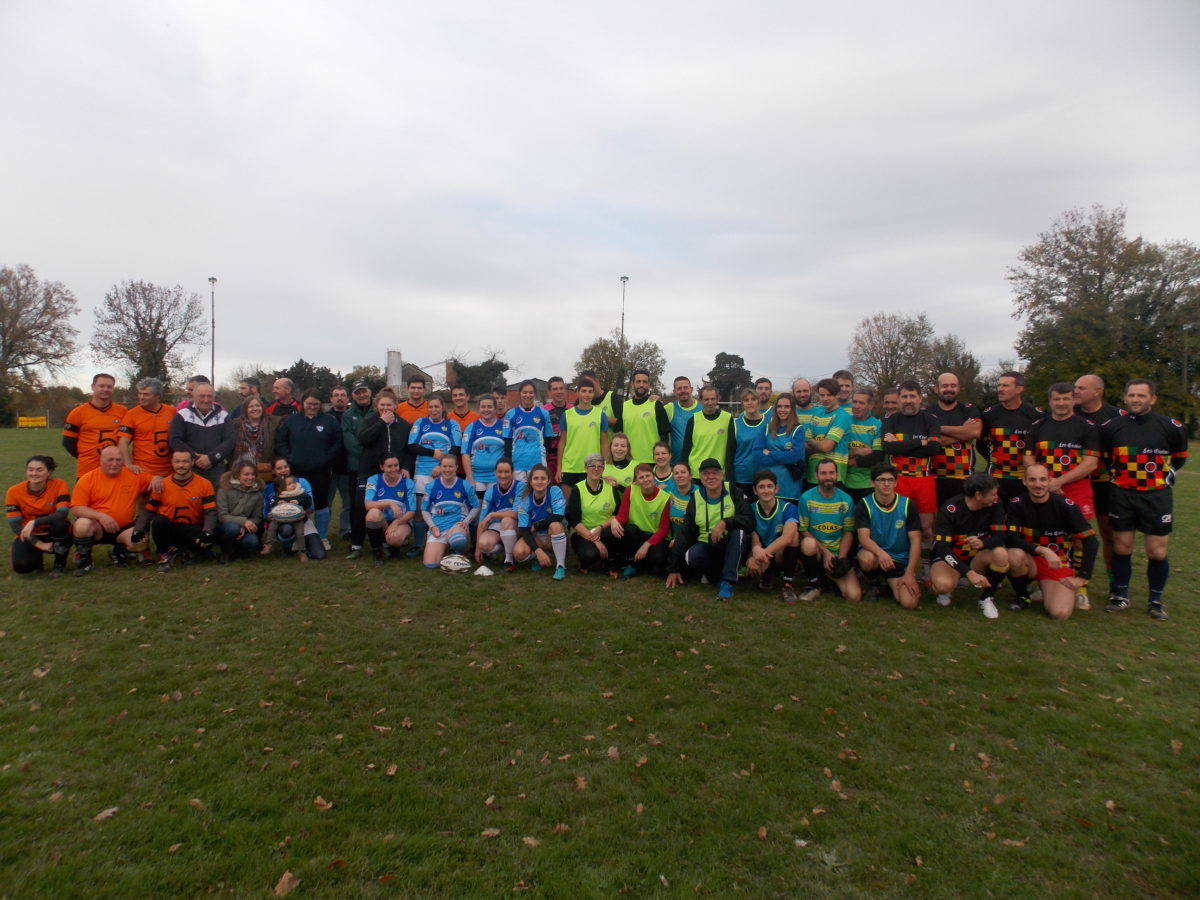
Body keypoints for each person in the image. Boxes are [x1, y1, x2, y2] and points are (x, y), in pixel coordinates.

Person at [1100, 379, 1188, 620]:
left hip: (1156, 496)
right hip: (1122, 494)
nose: (1135, 399)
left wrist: (1163, 477)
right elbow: (1107, 458)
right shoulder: (1111, 427)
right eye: (1131, 395)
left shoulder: (1172, 426)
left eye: (1141, 395)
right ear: (1125, 397)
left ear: (1153, 398)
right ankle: (1120, 596)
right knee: (1122, 546)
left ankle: (1156, 601)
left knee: (1156, 551)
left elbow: (1179, 458)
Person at [1023, 382, 1101, 608]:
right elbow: (1028, 457)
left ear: (1074, 400)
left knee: (1079, 538)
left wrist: (1059, 481)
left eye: (1066, 399)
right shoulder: (1038, 426)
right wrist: (1042, 479)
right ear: (1050, 401)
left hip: (1075, 487)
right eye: (1057, 399)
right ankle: (1043, 582)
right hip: (1044, 487)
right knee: (1045, 536)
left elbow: (1090, 463)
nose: (1061, 403)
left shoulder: (1086, 426)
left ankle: (1080, 587)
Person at [1004, 464, 1098, 619]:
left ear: (1049, 481)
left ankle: (1047, 588)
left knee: (1060, 613)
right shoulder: (1017, 503)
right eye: (1032, 480)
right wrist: (1042, 550)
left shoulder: (1066, 506)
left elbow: (1091, 541)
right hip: (1031, 560)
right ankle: (1022, 596)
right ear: (1024, 481)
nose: (1038, 485)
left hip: (1057, 563)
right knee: (1013, 555)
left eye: (1042, 479)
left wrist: (1082, 577)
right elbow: (1010, 539)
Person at [665, 457, 751, 600]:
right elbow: (685, 532)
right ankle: (717, 577)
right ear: (701, 477)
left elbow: (749, 520)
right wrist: (673, 568)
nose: (711, 477)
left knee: (739, 532)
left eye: (715, 472)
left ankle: (728, 581)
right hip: (708, 545)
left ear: (721, 475)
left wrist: (725, 522)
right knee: (691, 555)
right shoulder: (696, 498)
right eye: (706, 473)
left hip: (731, 545)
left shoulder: (733, 491)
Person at [928, 471, 1010, 618]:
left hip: (976, 557)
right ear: (978, 495)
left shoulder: (996, 504)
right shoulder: (950, 509)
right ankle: (944, 588)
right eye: (992, 494)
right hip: (950, 558)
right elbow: (942, 548)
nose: (996, 497)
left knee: (1001, 554)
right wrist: (968, 572)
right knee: (942, 585)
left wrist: (983, 542)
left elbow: (1001, 537)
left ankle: (986, 598)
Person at [69, 445, 154, 576]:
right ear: (101, 461)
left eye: (118, 460)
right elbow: (76, 508)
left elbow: (156, 482)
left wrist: (158, 479)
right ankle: (85, 561)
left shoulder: (134, 475)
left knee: (140, 542)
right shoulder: (87, 479)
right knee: (82, 524)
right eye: (110, 460)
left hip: (124, 527)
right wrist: (101, 516)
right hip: (98, 527)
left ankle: (118, 550)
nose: (114, 464)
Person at [1073, 372, 1125, 588]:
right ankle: (1071, 579)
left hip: (1105, 484)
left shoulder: (1117, 416)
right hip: (1075, 482)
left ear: (1098, 392)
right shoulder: (1069, 413)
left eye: (1081, 388)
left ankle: (1115, 583)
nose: (1076, 391)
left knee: (1109, 535)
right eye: (1075, 386)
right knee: (1074, 534)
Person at [349, 389, 412, 559]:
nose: (385, 408)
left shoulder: (405, 425)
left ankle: (387, 540)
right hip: (369, 470)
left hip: (393, 472)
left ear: (395, 406)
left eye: (389, 405)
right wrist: (381, 422)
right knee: (362, 504)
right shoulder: (370, 420)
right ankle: (357, 544)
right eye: (382, 405)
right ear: (377, 406)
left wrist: (406, 466)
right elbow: (363, 439)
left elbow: (408, 450)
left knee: (392, 504)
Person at [276, 389, 342, 546]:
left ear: (321, 404)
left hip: (321, 470)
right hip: (297, 470)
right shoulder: (291, 420)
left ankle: (322, 537)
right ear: (302, 404)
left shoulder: (329, 421)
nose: (312, 406)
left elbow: (337, 443)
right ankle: (299, 538)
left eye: (315, 404)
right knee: (297, 503)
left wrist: (326, 459)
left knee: (320, 503)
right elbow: (281, 442)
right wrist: (290, 458)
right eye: (309, 403)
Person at [881, 379, 941, 544]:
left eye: (912, 396)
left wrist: (899, 445)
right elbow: (888, 448)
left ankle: (926, 563)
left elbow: (934, 449)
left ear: (920, 398)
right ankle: (901, 562)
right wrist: (921, 442)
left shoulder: (930, 420)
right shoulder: (890, 421)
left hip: (924, 478)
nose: (908, 400)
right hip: (898, 479)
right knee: (897, 524)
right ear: (899, 399)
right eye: (904, 396)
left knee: (927, 527)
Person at [854, 463, 922, 608]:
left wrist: (910, 573)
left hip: (899, 560)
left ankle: (892, 585)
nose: (886, 484)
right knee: (866, 558)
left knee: (909, 603)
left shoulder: (908, 505)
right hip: (876, 556)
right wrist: (881, 553)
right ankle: (874, 584)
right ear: (872, 483)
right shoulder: (864, 504)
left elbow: (916, 540)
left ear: (896, 482)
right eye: (881, 480)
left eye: (890, 480)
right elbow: (863, 537)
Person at [137, 450, 217, 572]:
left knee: (205, 545)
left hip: (192, 528)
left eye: (185, 461)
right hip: (170, 529)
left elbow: (210, 511)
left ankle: (186, 550)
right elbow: (149, 510)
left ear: (192, 462)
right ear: (172, 463)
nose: (181, 465)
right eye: (177, 461)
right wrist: (139, 528)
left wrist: (207, 531)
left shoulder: (204, 484)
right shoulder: (162, 484)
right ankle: (165, 554)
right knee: (159, 521)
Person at [796, 459, 861, 603]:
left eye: (831, 473)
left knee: (854, 597)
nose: (828, 477)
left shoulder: (846, 500)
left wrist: (840, 560)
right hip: (818, 551)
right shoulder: (806, 498)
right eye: (823, 473)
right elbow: (804, 530)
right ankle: (814, 585)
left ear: (837, 475)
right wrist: (825, 552)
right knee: (808, 544)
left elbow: (848, 531)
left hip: (837, 553)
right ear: (816, 476)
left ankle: (830, 578)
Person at [409, 396, 463, 554]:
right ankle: (419, 545)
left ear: (443, 407)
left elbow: (456, 448)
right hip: (422, 473)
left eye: (436, 407)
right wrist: (432, 453)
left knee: (446, 509)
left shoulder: (451, 424)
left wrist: (441, 466)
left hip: (445, 473)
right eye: (430, 407)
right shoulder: (420, 423)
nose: (433, 410)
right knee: (420, 510)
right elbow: (411, 446)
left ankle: (449, 542)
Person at [978, 371, 1040, 505]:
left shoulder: (1035, 415)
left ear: (1019, 389)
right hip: (995, 476)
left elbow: (1040, 448)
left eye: (1005, 386)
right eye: (999, 385)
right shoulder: (989, 414)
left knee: (1024, 518)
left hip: (1025, 477)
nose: (1000, 389)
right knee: (995, 519)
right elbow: (981, 444)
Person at [7, 455, 72, 577]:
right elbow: (15, 526)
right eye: (30, 469)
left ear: (49, 472)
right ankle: (36, 559)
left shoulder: (59, 484)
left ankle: (59, 565)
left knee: (61, 524)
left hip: (53, 531)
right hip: (28, 534)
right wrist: (39, 544)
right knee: (22, 566)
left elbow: (62, 513)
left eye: (39, 470)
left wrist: (34, 522)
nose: (34, 473)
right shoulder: (14, 491)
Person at [745, 469, 800, 603]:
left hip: (777, 553)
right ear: (755, 490)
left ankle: (787, 584)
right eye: (761, 487)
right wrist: (755, 551)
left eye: (769, 486)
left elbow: (787, 537)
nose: (766, 491)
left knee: (794, 536)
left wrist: (761, 557)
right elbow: (753, 536)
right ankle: (767, 575)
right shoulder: (749, 509)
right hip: (759, 551)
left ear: (776, 488)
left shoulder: (788, 508)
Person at [610, 462, 671, 579]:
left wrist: (647, 545)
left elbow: (664, 528)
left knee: (657, 562)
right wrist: (614, 520)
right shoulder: (630, 490)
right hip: (636, 535)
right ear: (636, 481)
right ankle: (631, 564)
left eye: (648, 476)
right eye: (641, 477)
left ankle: (642, 562)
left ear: (653, 477)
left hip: (655, 537)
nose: (645, 479)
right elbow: (623, 517)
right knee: (630, 529)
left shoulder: (665, 497)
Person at [62, 372, 128, 478]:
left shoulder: (122, 411)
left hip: (115, 469)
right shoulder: (78, 412)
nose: (105, 389)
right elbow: (68, 442)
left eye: (109, 386)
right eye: (101, 386)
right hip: (87, 470)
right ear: (93, 387)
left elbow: (126, 439)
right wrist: (85, 455)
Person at [930, 372, 982, 508]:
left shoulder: (968, 409)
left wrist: (937, 428)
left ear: (959, 388)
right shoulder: (927, 412)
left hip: (964, 478)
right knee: (937, 521)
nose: (949, 389)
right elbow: (934, 441)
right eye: (945, 386)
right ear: (936, 389)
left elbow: (974, 431)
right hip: (935, 477)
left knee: (963, 519)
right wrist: (962, 432)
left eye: (953, 386)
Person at [566, 453, 622, 573]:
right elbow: (575, 521)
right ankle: (587, 561)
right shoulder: (578, 489)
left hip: (604, 530)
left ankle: (610, 562)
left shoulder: (610, 487)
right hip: (583, 533)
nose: (596, 469)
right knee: (589, 555)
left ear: (603, 469)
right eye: (592, 466)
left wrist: (601, 527)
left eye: (600, 466)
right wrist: (596, 541)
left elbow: (617, 514)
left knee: (614, 532)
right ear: (585, 468)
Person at [261, 457, 325, 560]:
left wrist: (300, 509)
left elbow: (311, 506)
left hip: (301, 520)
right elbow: (265, 514)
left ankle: (302, 548)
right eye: (279, 468)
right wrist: (272, 514)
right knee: (287, 529)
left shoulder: (301, 482)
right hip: (281, 523)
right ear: (273, 471)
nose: (283, 470)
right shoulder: (269, 489)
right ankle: (287, 547)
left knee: (319, 554)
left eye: (285, 467)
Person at [421, 454, 479, 568]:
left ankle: (459, 552)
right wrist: (432, 526)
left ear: (457, 467)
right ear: (440, 467)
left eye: (451, 466)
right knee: (431, 564)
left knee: (458, 540)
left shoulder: (465, 485)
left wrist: (466, 522)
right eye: (444, 466)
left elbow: (476, 507)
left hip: (456, 526)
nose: (447, 470)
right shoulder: (431, 486)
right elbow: (424, 509)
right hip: (439, 527)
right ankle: (446, 547)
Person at [513, 463, 569, 580]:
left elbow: (558, 516)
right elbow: (524, 529)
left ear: (548, 481)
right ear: (531, 482)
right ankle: (536, 557)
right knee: (518, 553)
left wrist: (537, 525)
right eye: (536, 478)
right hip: (536, 538)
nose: (539, 481)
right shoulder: (524, 499)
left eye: (543, 478)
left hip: (551, 535)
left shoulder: (554, 491)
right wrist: (538, 551)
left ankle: (560, 565)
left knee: (555, 525)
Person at [363, 453, 418, 565]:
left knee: (395, 538)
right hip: (382, 521)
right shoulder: (374, 479)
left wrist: (396, 523)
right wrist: (390, 503)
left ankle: (394, 547)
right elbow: (368, 505)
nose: (393, 469)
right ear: (382, 467)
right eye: (389, 466)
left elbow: (412, 511)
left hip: (401, 521)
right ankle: (377, 551)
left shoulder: (407, 482)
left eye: (396, 465)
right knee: (373, 513)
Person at [168, 382, 234, 475]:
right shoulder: (182, 415)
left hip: (217, 468)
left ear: (214, 397)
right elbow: (174, 440)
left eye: (209, 396)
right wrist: (194, 457)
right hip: (190, 469)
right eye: (201, 396)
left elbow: (229, 441)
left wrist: (211, 458)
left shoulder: (223, 415)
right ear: (194, 396)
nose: (206, 400)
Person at [555, 378, 609, 488]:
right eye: (584, 391)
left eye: (590, 391)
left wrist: (605, 467)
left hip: (592, 467)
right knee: (569, 504)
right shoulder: (567, 415)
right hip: (570, 467)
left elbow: (604, 443)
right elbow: (562, 443)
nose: (587, 394)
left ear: (594, 393)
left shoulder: (600, 415)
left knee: (588, 504)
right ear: (577, 392)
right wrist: (559, 468)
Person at [117, 377, 176, 478]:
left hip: (168, 472)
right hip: (142, 471)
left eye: (146, 394)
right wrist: (128, 464)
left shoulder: (171, 412)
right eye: (140, 393)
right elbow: (123, 441)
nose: (141, 397)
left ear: (157, 396)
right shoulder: (132, 414)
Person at [341, 381, 375, 549]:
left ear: (369, 392)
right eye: (357, 392)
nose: (361, 395)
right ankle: (356, 539)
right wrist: (366, 454)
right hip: (356, 465)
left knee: (377, 501)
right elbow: (349, 440)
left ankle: (377, 535)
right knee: (356, 504)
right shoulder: (348, 415)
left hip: (376, 467)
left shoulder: (377, 411)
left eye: (364, 391)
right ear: (353, 396)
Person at [804, 378, 852, 490]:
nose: (825, 398)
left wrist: (811, 441)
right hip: (813, 476)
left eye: (829, 395)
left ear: (837, 395)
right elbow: (805, 446)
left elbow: (826, 446)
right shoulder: (816, 414)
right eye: (822, 395)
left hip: (835, 477)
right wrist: (820, 444)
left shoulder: (842, 416)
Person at [475, 459, 523, 571]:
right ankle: (508, 549)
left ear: (512, 472)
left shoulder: (520, 487)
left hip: (517, 526)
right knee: (483, 544)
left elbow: (516, 514)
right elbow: (482, 521)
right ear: (495, 472)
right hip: (497, 527)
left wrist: (493, 515)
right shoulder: (490, 491)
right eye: (500, 472)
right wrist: (477, 548)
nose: (503, 475)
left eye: (506, 472)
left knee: (507, 520)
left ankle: (509, 560)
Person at [758, 393, 806, 502]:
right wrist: (785, 456)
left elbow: (795, 456)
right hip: (767, 488)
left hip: (790, 489)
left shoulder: (798, 430)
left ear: (792, 409)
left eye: (786, 406)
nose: (782, 410)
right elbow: (757, 455)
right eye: (779, 406)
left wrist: (771, 453)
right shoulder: (766, 429)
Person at [503, 380, 554, 481]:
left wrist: (542, 452)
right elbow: (507, 440)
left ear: (534, 394)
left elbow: (548, 437)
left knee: (537, 491)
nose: (528, 395)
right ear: (520, 393)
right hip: (517, 461)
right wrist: (509, 461)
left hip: (537, 460)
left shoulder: (543, 413)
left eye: (531, 392)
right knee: (520, 493)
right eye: (525, 392)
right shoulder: (511, 414)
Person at [215, 461, 264, 562]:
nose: (250, 477)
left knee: (252, 541)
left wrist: (245, 527)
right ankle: (226, 552)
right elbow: (222, 516)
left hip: (246, 527)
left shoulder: (258, 494)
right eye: (246, 474)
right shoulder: (224, 490)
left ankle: (241, 550)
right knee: (232, 528)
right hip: (225, 527)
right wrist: (243, 522)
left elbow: (257, 517)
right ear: (237, 476)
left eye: (253, 474)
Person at [680, 385, 734, 477]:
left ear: (718, 399)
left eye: (713, 399)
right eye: (706, 399)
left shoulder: (727, 418)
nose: (710, 402)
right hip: (696, 473)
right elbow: (686, 450)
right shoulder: (693, 420)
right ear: (701, 400)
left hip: (718, 473)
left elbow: (731, 449)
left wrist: (729, 474)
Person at [843, 388, 883, 505]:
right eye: (854, 402)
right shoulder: (844, 421)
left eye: (861, 403)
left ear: (870, 406)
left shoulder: (877, 425)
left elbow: (875, 457)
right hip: (844, 482)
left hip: (867, 484)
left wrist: (847, 460)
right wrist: (856, 451)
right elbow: (835, 453)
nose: (856, 406)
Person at [622, 369, 670, 464]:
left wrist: (662, 459)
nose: (641, 385)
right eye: (638, 381)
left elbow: (664, 435)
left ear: (649, 384)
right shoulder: (624, 406)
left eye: (645, 382)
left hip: (653, 461)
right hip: (629, 461)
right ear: (632, 384)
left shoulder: (656, 404)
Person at [461, 395, 506, 493]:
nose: (486, 409)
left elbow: (509, 451)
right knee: (477, 507)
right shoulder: (472, 427)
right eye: (483, 407)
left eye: (489, 406)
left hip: (497, 477)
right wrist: (470, 478)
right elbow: (465, 454)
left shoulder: (504, 426)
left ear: (495, 408)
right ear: (479, 408)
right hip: (477, 477)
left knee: (495, 508)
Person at [230, 395, 279, 481]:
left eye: (258, 406)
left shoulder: (273, 425)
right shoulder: (235, 426)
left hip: (263, 471)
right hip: (239, 469)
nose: (255, 409)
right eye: (251, 406)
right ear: (245, 409)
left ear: (262, 408)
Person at [261, 475, 312, 558]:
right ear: (281, 488)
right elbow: (271, 504)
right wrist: (276, 504)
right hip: (281, 519)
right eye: (289, 484)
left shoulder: (301, 493)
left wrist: (299, 502)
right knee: (272, 526)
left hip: (297, 519)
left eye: (293, 482)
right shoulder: (278, 496)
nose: (293, 485)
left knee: (300, 533)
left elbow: (308, 502)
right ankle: (268, 545)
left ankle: (302, 551)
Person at [326, 385, 353, 540]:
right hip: (329, 468)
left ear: (347, 398)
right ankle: (323, 531)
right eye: (336, 395)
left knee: (347, 503)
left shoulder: (351, 415)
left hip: (347, 466)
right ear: (331, 398)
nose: (339, 398)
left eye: (343, 395)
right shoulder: (325, 417)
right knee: (326, 503)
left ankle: (345, 530)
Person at [731, 389, 767, 495]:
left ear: (758, 401)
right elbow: (730, 452)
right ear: (742, 403)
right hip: (741, 478)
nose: (750, 402)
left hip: (763, 477)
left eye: (753, 399)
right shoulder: (735, 424)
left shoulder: (769, 422)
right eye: (746, 400)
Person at [665, 376, 700, 465]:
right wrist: (654, 399)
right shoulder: (670, 408)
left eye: (685, 387)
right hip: (676, 464)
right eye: (679, 388)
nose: (683, 390)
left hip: (698, 463)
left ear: (691, 389)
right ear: (674, 392)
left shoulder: (702, 408)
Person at [542, 376, 571, 475]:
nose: (559, 391)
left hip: (569, 460)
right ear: (549, 392)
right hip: (550, 460)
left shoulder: (573, 410)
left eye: (561, 388)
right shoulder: (543, 411)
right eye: (555, 389)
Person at [664, 462, 697, 541]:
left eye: (683, 472)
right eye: (676, 473)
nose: (679, 475)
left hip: (691, 537)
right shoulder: (667, 490)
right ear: (673, 477)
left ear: (690, 476)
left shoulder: (699, 493)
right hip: (669, 536)